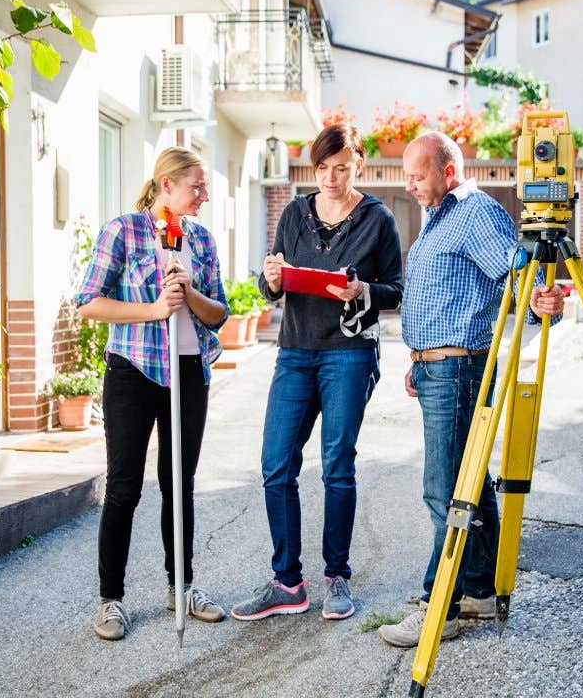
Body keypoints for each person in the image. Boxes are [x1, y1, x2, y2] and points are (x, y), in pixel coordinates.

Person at [378, 131, 565, 648]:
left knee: (445, 493)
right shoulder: (441, 217)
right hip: (440, 369)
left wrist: (538, 304)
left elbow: (514, 271)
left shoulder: (475, 212)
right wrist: (420, 358)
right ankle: (480, 592)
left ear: (449, 172)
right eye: (407, 176)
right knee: (471, 483)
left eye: (417, 175)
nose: (409, 185)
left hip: (459, 370)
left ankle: (439, 606)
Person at [231, 123, 404, 622]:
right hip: (295, 351)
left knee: (336, 465)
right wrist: (268, 280)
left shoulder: (378, 218)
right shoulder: (293, 213)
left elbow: (395, 288)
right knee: (276, 464)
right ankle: (287, 582)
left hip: (348, 353)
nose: (331, 177)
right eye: (323, 168)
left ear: (359, 167)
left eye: (342, 168)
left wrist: (362, 291)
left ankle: (337, 577)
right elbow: (274, 288)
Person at [75, 146, 230, 640]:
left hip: (188, 370)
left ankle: (180, 586)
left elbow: (219, 314)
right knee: (124, 485)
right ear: (167, 186)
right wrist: (154, 309)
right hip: (134, 369)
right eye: (196, 187)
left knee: (179, 482)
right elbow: (88, 303)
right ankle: (111, 600)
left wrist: (190, 293)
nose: (204, 196)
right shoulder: (124, 230)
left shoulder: (200, 240)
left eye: (204, 187)